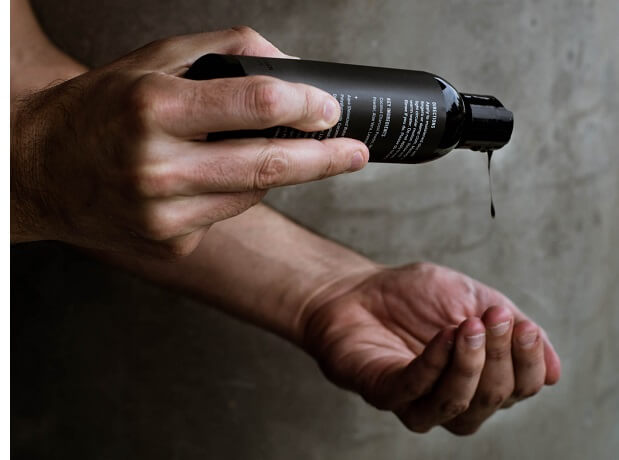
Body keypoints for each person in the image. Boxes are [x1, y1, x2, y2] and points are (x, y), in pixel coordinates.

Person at [10, 0, 560, 436]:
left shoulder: (439, 109)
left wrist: (328, 286)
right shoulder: (435, 101)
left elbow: (16, 64)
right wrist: (34, 169)